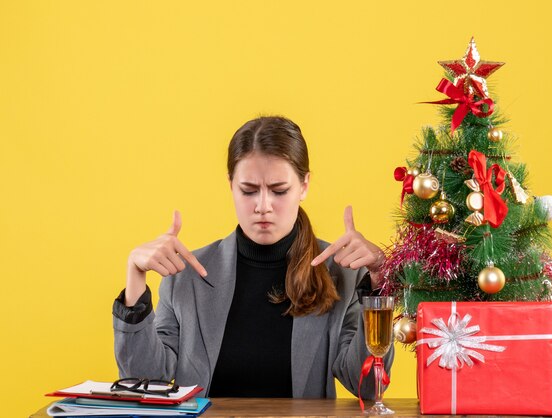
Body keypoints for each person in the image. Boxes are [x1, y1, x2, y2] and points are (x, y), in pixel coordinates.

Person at [112, 116, 393, 399]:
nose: (262, 206)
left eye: (279, 190)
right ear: (230, 185)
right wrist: (135, 277)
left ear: (304, 186)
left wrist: (379, 284)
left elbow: (369, 387)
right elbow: (145, 381)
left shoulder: (342, 273)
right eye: (248, 190)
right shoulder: (187, 275)